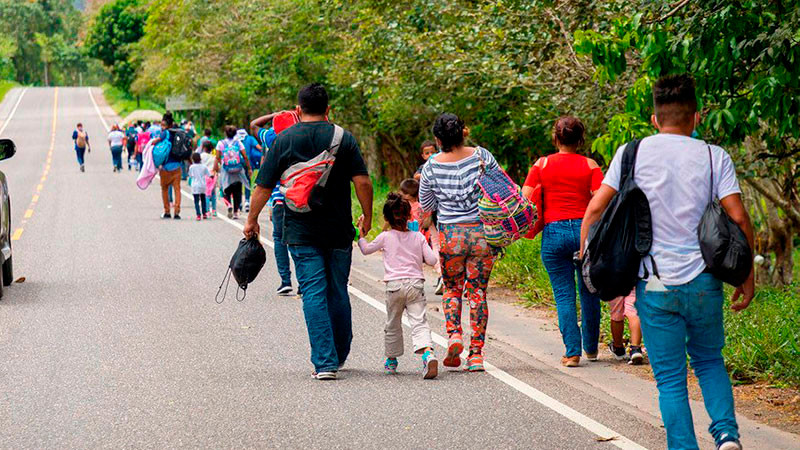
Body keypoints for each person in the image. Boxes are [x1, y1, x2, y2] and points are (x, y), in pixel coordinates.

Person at [581, 74, 755, 450]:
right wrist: (747, 276)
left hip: (654, 284)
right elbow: (739, 218)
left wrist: (589, 263)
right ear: (697, 117)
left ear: (655, 119)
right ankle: (726, 436)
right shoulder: (713, 155)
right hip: (705, 281)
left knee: (671, 379)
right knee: (709, 360)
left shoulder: (633, 151)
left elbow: (595, 209)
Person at [244, 83, 373, 380]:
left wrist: (252, 219)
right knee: (338, 289)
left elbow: (263, 186)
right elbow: (363, 182)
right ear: (328, 109)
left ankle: (325, 363)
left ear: (298, 110)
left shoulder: (283, 139)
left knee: (313, 291)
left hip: (300, 230)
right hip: (339, 228)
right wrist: (366, 215)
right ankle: (339, 355)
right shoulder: (344, 137)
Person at [419, 113, 499, 372]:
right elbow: (500, 189)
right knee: (477, 292)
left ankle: (454, 335)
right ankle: (476, 354)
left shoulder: (431, 166)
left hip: (451, 235)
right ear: (463, 132)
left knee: (453, 288)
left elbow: (427, 207)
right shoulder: (481, 156)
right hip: (481, 234)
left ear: (437, 138)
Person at [521, 116, 602, 368]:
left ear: (555, 137)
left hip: (554, 233)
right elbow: (601, 203)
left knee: (564, 294)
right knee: (589, 289)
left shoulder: (541, 164)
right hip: (584, 232)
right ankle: (590, 348)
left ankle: (572, 352)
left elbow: (525, 198)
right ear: (580, 139)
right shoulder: (590, 165)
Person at [357, 192, 439, 379]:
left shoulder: (385, 237)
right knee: (419, 322)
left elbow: (365, 249)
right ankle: (427, 353)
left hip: (394, 286)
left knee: (393, 323)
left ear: (386, 217)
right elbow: (432, 259)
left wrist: (361, 233)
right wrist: (432, 247)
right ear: (410, 216)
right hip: (416, 285)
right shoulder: (418, 237)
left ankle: (391, 360)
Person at [400, 178, 442, 294]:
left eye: (402, 192)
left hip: (411, 240)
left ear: (408, 195)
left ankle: (411, 286)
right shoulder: (424, 205)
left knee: (411, 262)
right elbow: (428, 221)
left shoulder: (406, 208)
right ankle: (441, 273)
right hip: (426, 236)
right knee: (435, 253)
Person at [215, 125, 251, 219]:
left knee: (226, 189)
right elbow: (245, 156)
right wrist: (249, 168)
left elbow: (217, 157)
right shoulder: (238, 143)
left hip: (226, 170)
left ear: (225, 133)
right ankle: (235, 212)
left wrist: (218, 166)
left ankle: (229, 206)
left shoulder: (220, 143)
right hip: (238, 170)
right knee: (237, 191)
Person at [151, 112, 183, 219]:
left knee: (164, 189)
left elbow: (156, 142)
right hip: (177, 166)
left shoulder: (165, 133)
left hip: (165, 167)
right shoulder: (178, 132)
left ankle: (167, 211)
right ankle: (177, 211)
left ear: (166, 124)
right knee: (177, 189)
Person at [607, 290, 645, 365]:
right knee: (633, 312)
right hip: (634, 279)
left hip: (614, 282)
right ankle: (635, 349)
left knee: (616, 314)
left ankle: (618, 347)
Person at [236, 128, 262, 213]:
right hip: (248, 163)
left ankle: (239, 203)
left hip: (237, 163)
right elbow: (259, 148)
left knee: (239, 182)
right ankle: (247, 201)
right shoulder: (250, 138)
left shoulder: (235, 139)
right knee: (247, 181)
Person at [188, 152, 210, 221]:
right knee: (203, 200)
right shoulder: (204, 166)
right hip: (202, 185)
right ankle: (204, 213)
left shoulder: (192, 167)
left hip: (195, 185)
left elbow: (191, 175)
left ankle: (198, 215)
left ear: (193, 159)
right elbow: (208, 174)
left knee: (196, 201)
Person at [200, 140, 218, 217]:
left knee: (206, 194)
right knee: (213, 193)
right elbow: (217, 166)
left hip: (205, 176)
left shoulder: (202, 156)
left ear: (203, 148)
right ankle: (214, 210)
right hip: (213, 175)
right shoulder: (213, 157)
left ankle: (207, 210)